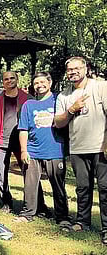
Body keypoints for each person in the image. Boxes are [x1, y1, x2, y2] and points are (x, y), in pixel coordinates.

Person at [54, 56, 107, 243]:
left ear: (85, 68)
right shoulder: (64, 95)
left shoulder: (100, 87)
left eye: (77, 68)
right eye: (69, 70)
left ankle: (106, 228)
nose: (73, 72)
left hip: (101, 147)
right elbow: (58, 122)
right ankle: (82, 221)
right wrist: (72, 109)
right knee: (83, 188)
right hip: (77, 148)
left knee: (105, 188)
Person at [14, 71, 70, 226]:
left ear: (50, 82)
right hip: (33, 151)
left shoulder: (58, 100)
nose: (39, 85)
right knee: (30, 185)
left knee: (58, 185)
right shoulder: (29, 105)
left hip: (55, 150)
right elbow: (23, 129)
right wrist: (24, 150)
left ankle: (62, 217)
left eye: (42, 82)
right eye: (36, 83)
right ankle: (28, 213)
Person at [0, 71, 32, 213]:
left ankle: (35, 203)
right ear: (3, 82)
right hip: (2, 141)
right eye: (6, 79)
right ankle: (6, 201)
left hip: (22, 142)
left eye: (12, 78)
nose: (9, 81)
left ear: (17, 79)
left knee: (30, 173)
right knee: (1, 173)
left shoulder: (27, 98)